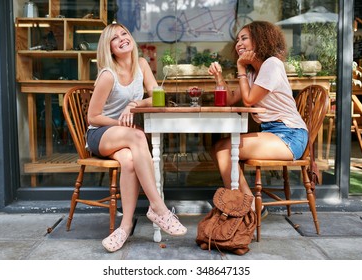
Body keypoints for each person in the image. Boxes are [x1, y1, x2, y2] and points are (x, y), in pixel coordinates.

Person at [86, 22, 187, 253]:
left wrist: (136, 103)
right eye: (115, 38)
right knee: (138, 136)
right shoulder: (107, 75)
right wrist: (122, 123)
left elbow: (156, 97)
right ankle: (158, 209)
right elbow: (93, 116)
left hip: (125, 136)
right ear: (109, 48)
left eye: (124, 33)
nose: (122, 38)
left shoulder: (141, 64)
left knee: (130, 161)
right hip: (100, 134)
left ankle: (124, 227)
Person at [207, 21, 308, 213]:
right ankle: (250, 205)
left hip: (289, 135)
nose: (238, 44)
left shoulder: (272, 65)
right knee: (218, 147)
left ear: (261, 40)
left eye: (244, 38)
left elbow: (248, 99)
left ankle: (246, 208)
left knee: (225, 150)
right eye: (237, 40)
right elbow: (230, 100)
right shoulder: (254, 73)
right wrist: (219, 77)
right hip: (272, 133)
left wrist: (240, 68)